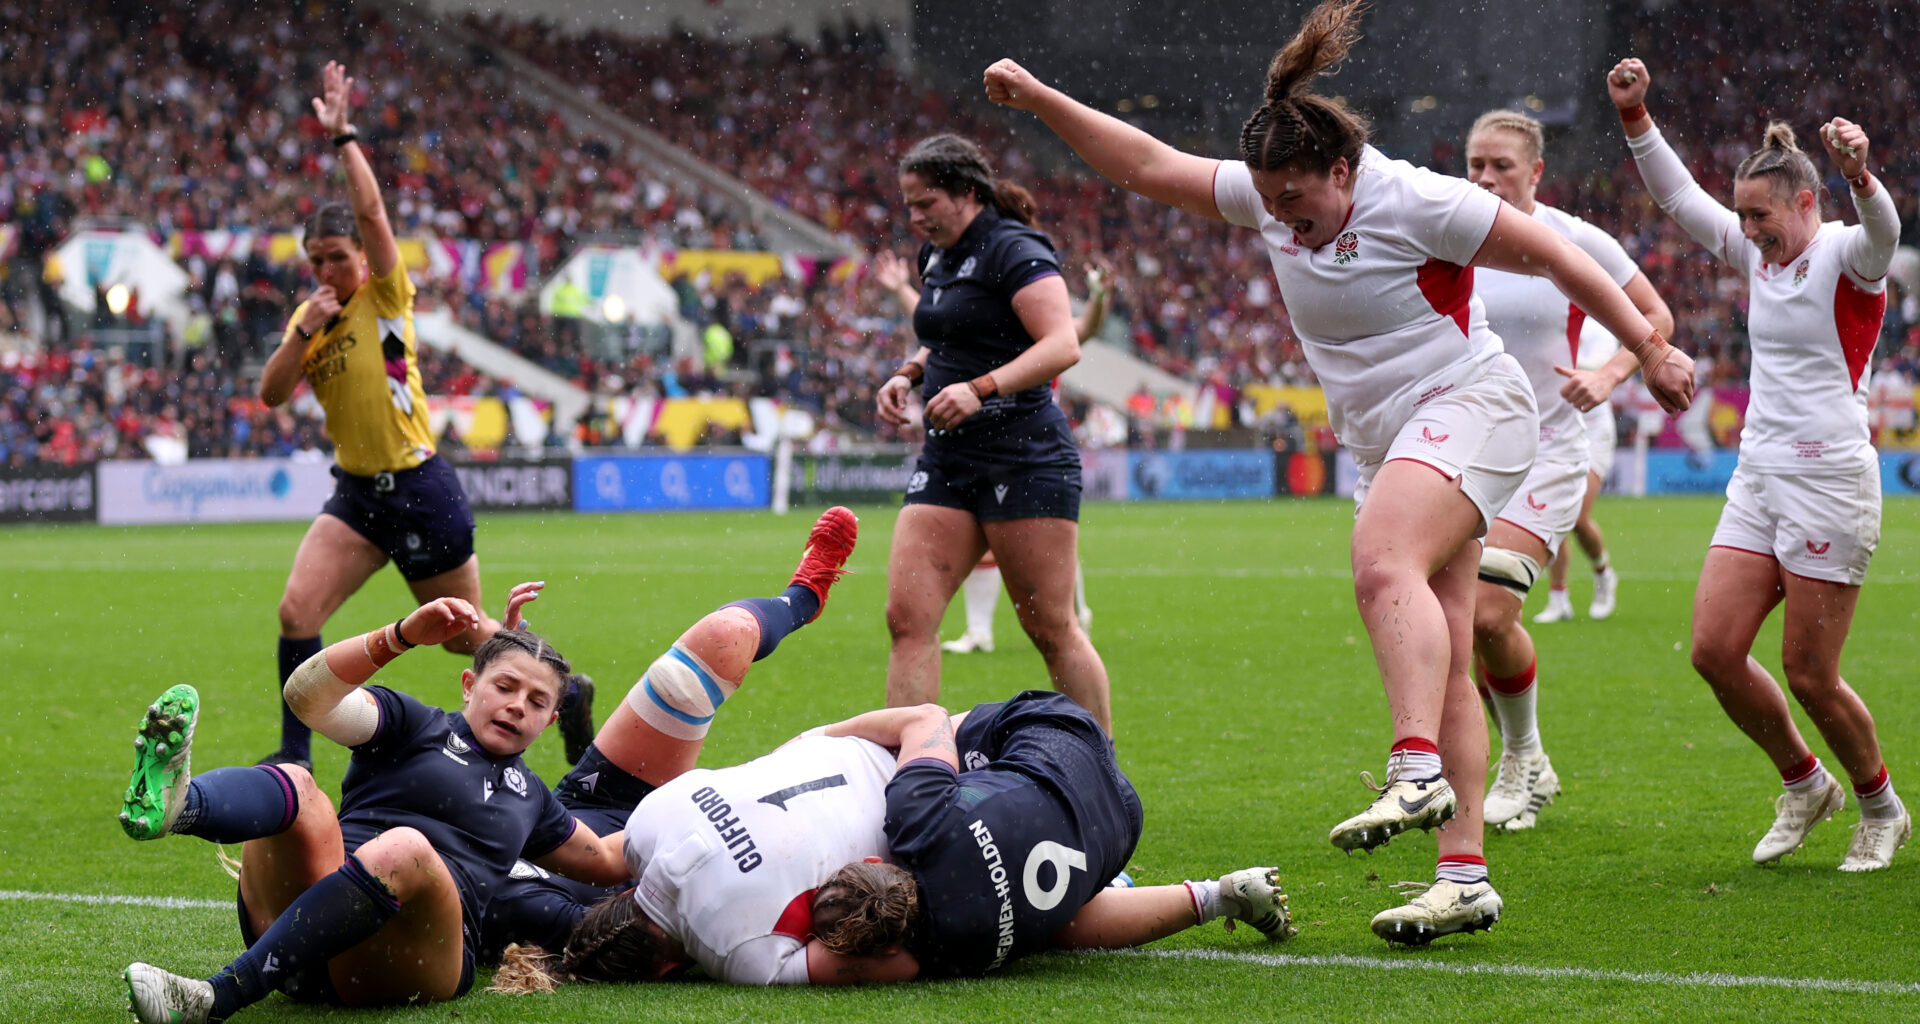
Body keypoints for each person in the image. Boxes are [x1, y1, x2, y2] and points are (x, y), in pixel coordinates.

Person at [985, 0, 1693, 944]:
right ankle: (1464, 875)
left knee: (1379, 565)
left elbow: (1563, 258)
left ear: (1344, 171)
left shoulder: (1421, 201)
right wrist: (1039, 99)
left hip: (1472, 406)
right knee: (1441, 645)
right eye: (1270, 202)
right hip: (1386, 440)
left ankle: (1413, 768)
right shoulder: (1271, 198)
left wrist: (1647, 347)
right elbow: (1146, 165)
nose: (1285, 221)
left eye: (1301, 201)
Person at [253, 61, 594, 773]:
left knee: (467, 639)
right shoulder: (311, 317)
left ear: (361, 256)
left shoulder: (382, 297)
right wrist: (300, 331)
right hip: (356, 494)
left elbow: (374, 215)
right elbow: (272, 393)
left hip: (418, 488)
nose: (327, 273)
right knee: (296, 615)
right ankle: (294, 759)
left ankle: (566, 687)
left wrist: (344, 136)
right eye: (316, 260)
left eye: (337, 257)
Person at [1610, 58, 1908, 871]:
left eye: (1760, 215)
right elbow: (1678, 201)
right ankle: (1806, 783)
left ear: (1807, 202)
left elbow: (1886, 233)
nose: (1745, 229)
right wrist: (1637, 117)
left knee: (1811, 675)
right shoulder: (1756, 258)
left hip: (1829, 483)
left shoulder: (1847, 253)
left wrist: (1863, 175)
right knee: (1712, 649)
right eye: (1740, 215)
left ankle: (1881, 806)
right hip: (1760, 479)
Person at [116, 588, 631, 1024]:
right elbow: (307, 698)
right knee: (298, 780)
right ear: (470, 686)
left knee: (405, 847)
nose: (518, 704)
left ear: (551, 720)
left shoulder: (534, 798)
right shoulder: (416, 724)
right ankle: (181, 805)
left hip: (413, 958)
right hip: (312, 924)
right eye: (505, 686)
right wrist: (400, 635)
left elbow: (606, 860)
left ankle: (213, 997)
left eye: (537, 701)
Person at [476, 507, 864, 970]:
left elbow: (482, 768)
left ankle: (803, 597)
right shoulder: (505, 913)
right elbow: (648, 935)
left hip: (590, 805)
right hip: (676, 850)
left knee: (723, 639)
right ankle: (570, 709)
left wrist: (513, 662)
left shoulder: (410, 795)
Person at [1461, 109, 1675, 831]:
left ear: (1537, 173)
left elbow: (1654, 317)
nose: (1486, 178)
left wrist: (1612, 374)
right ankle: (1530, 759)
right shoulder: (1448, 232)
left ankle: (1520, 758)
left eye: (1501, 166)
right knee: (1452, 633)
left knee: (1490, 612)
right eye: (1476, 166)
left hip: (1549, 448)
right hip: (1466, 450)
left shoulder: (1574, 240)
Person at [874, 135, 1111, 732]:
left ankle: (1103, 774)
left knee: (1050, 628)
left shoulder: (1015, 248)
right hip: (949, 455)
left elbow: (1063, 344)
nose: (915, 217)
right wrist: (910, 372)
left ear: (968, 193)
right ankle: (911, 773)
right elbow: (949, 333)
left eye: (925, 202)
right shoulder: (939, 254)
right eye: (908, 205)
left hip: (1024, 454)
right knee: (908, 618)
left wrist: (979, 389)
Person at [818, 691, 1293, 979]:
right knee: (921, 751)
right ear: (878, 863)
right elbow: (927, 717)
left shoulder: (951, 956)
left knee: (1053, 928)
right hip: (1059, 733)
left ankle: (1214, 897)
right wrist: (820, 740)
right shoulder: (914, 826)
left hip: (1118, 830)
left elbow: (901, 965)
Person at [872, 249, 1109, 656]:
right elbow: (939, 330)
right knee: (997, 547)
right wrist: (900, 291)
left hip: (1026, 445)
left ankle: (1069, 617)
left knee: (1047, 559)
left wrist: (1101, 298)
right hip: (973, 444)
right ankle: (985, 630)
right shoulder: (984, 326)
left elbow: (1082, 331)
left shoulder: (1040, 333)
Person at [1536, 316, 1625, 624]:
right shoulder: (1550, 317)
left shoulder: (1597, 325)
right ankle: (1558, 598)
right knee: (1554, 514)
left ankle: (1603, 574)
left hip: (1593, 429)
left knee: (1575, 516)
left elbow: (1602, 366)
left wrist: (1548, 363)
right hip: (1555, 429)